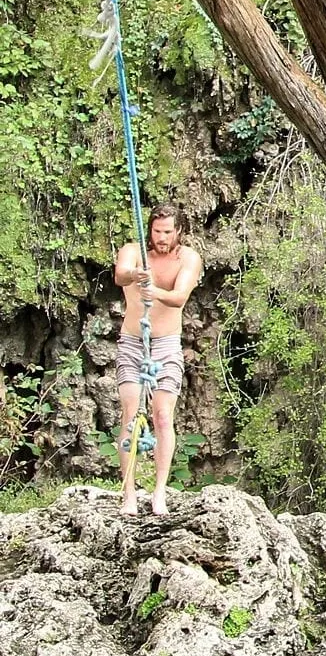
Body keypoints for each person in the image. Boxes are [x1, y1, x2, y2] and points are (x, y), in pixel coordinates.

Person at [113, 203, 203, 516]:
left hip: (165, 344)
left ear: (179, 232)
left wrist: (156, 292)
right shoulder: (134, 250)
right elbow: (120, 275)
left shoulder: (189, 258)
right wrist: (137, 275)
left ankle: (159, 492)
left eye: (167, 232)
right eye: (156, 231)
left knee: (162, 415)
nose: (161, 237)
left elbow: (179, 297)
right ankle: (128, 495)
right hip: (132, 342)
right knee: (130, 413)